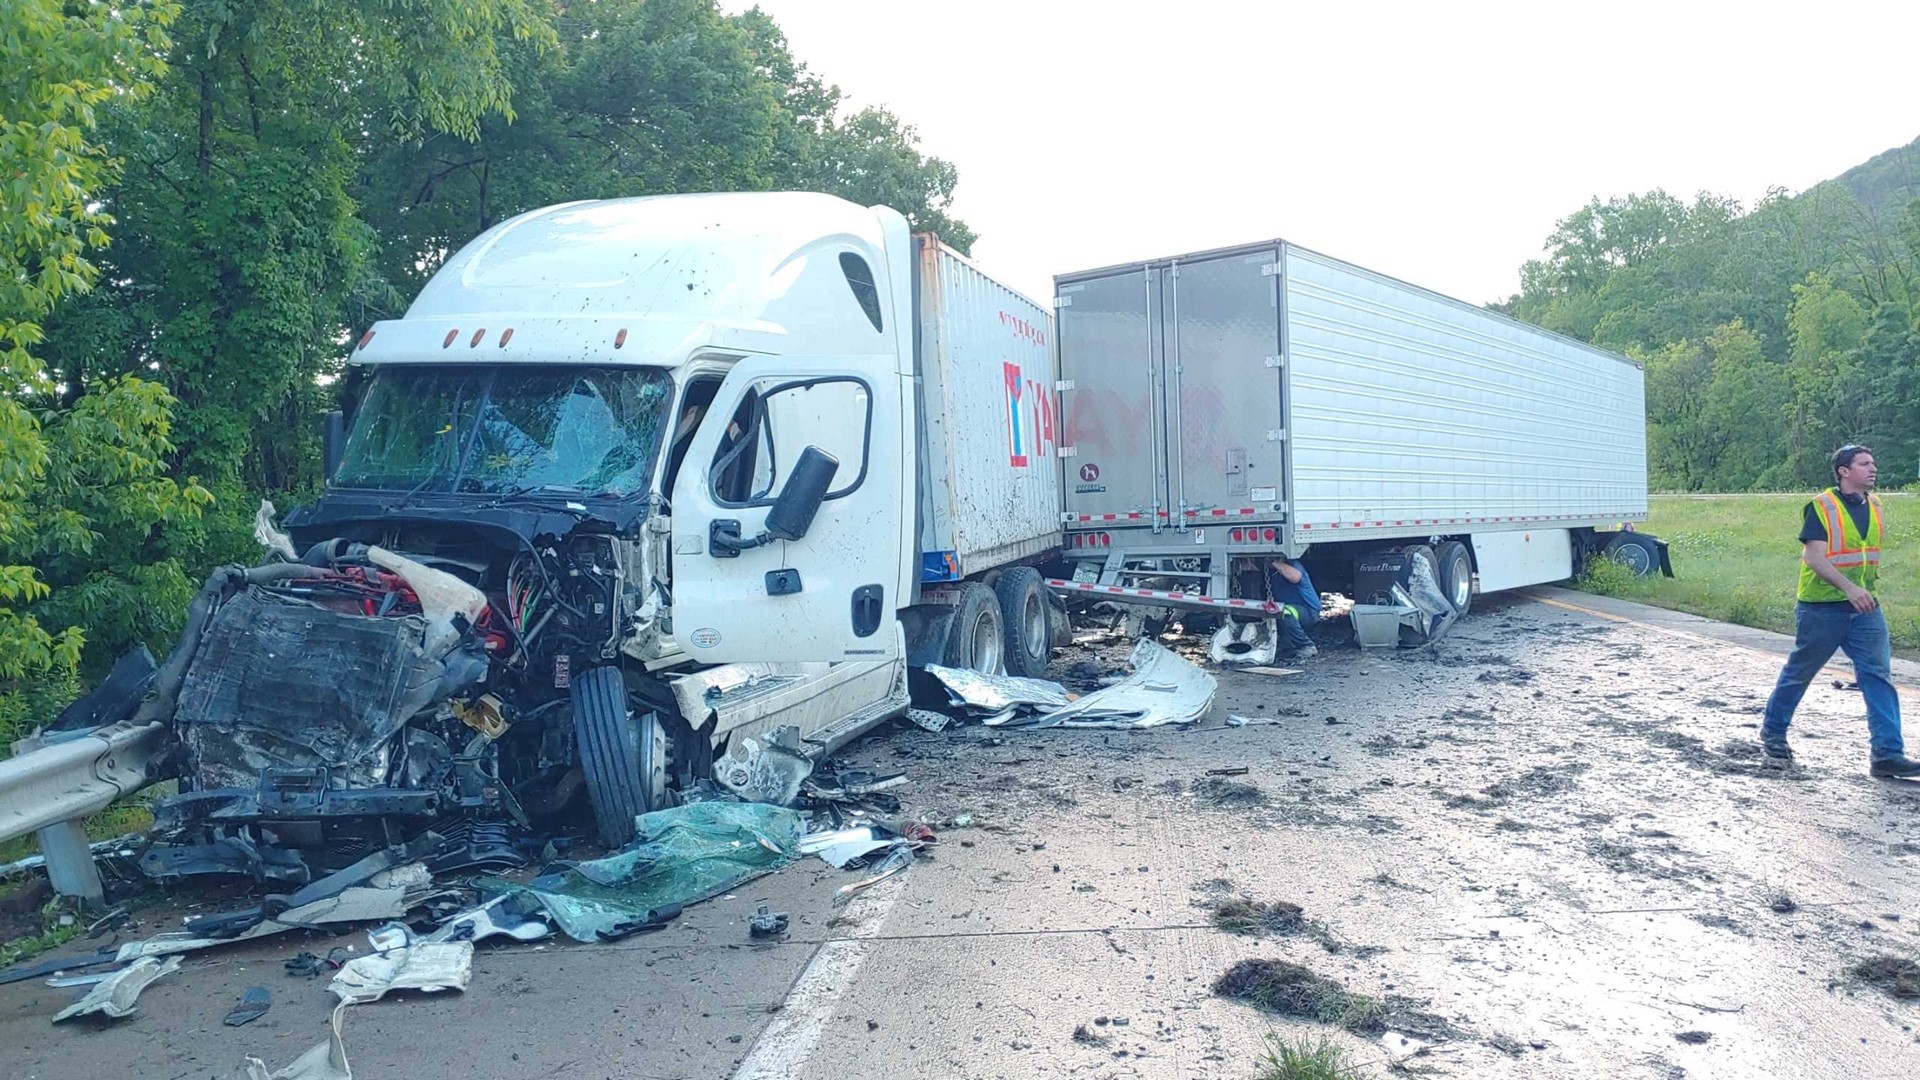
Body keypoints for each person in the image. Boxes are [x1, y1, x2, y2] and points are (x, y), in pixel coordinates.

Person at [1760, 445, 1920, 777]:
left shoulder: (1875, 505)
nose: (1873, 468)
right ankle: (1773, 733)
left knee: (1878, 677)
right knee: (1800, 672)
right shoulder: (1821, 507)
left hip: (1865, 608)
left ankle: (1887, 754)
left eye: (1873, 462)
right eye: (1864, 464)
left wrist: (1860, 591)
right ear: (1843, 472)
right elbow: (1814, 558)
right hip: (1822, 609)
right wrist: (1849, 588)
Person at [1266, 557, 1322, 660]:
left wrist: (1274, 562)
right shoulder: (1272, 573)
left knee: (1285, 612)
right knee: (1272, 610)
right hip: (1291, 607)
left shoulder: (1294, 565)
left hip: (1309, 611)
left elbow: (1295, 577)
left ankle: (1307, 646)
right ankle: (1284, 643)